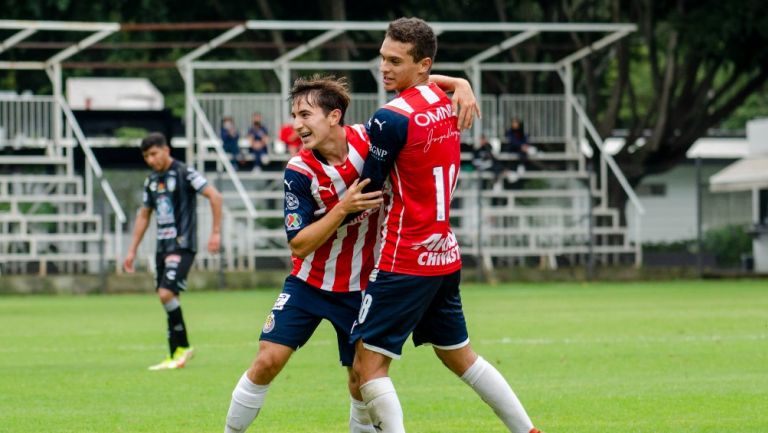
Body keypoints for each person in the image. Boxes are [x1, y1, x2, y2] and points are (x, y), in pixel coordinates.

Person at [223, 73, 478, 433]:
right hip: (309, 283)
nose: (297, 125)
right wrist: (343, 208)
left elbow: (417, 83)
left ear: (334, 116)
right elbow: (298, 244)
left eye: (305, 115)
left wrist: (460, 84)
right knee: (267, 360)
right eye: (294, 115)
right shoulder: (299, 171)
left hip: (363, 287)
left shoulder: (371, 141)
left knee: (360, 379)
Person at [352, 18, 543, 433]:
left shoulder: (390, 118)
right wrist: (459, 81)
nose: (383, 68)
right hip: (444, 255)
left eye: (394, 61)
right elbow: (428, 85)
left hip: (404, 256)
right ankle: (528, 430)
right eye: (382, 57)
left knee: (367, 368)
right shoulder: (446, 101)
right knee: (459, 356)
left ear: (422, 64)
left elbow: (367, 186)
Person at [123, 132, 223, 370]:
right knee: (169, 297)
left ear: (166, 150)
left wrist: (216, 232)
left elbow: (214, 196)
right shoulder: (151, 181)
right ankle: (175, 354)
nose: (151, 159)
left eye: (154, 153)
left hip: (182, 245)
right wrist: (131, 250)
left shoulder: (184, 173)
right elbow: (144, 214)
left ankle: (184, 347)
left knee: (165, 294)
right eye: (146, 156)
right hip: (162, 247)